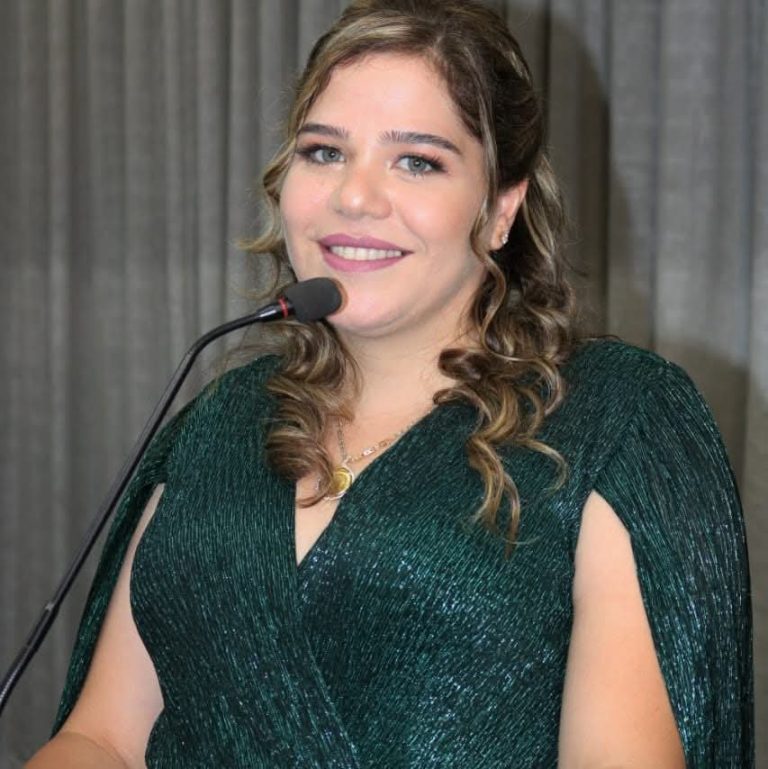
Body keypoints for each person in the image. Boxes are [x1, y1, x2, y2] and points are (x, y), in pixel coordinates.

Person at [27, 0, 753, 767]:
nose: (355, 196)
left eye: (417, 161)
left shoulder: (617, 417)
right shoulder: (219, 420)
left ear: (501, 209)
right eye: (324, 151)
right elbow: (102, 736)